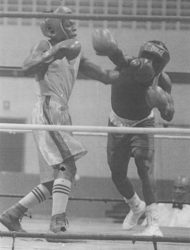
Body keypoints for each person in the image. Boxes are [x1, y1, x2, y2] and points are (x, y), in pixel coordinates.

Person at [0, 7, 124, 234]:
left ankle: (12, 214)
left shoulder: (76, 53)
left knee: (53, 181)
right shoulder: (44, 45)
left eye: (73, 21)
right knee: (68, 167)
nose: (74, 26)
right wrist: (55, 51)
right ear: (52, 28)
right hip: (48, 107)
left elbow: (107, 78)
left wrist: (125, 63)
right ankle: (57, 224)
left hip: (60, 112)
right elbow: (26, 67)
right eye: (67, 23)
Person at [92, 29, 175, 236]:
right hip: (117, 122)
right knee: (117, 173)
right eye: (146, 57)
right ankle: (136, 206)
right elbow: (117, 55)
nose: (147, 62)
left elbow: (170, 114)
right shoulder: (128, 64)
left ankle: (154, 224)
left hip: (143, 123)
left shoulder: (163, 81)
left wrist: (163, 104)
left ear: (160, 66)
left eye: (153, 60)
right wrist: (109, 47)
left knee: (144, 168)